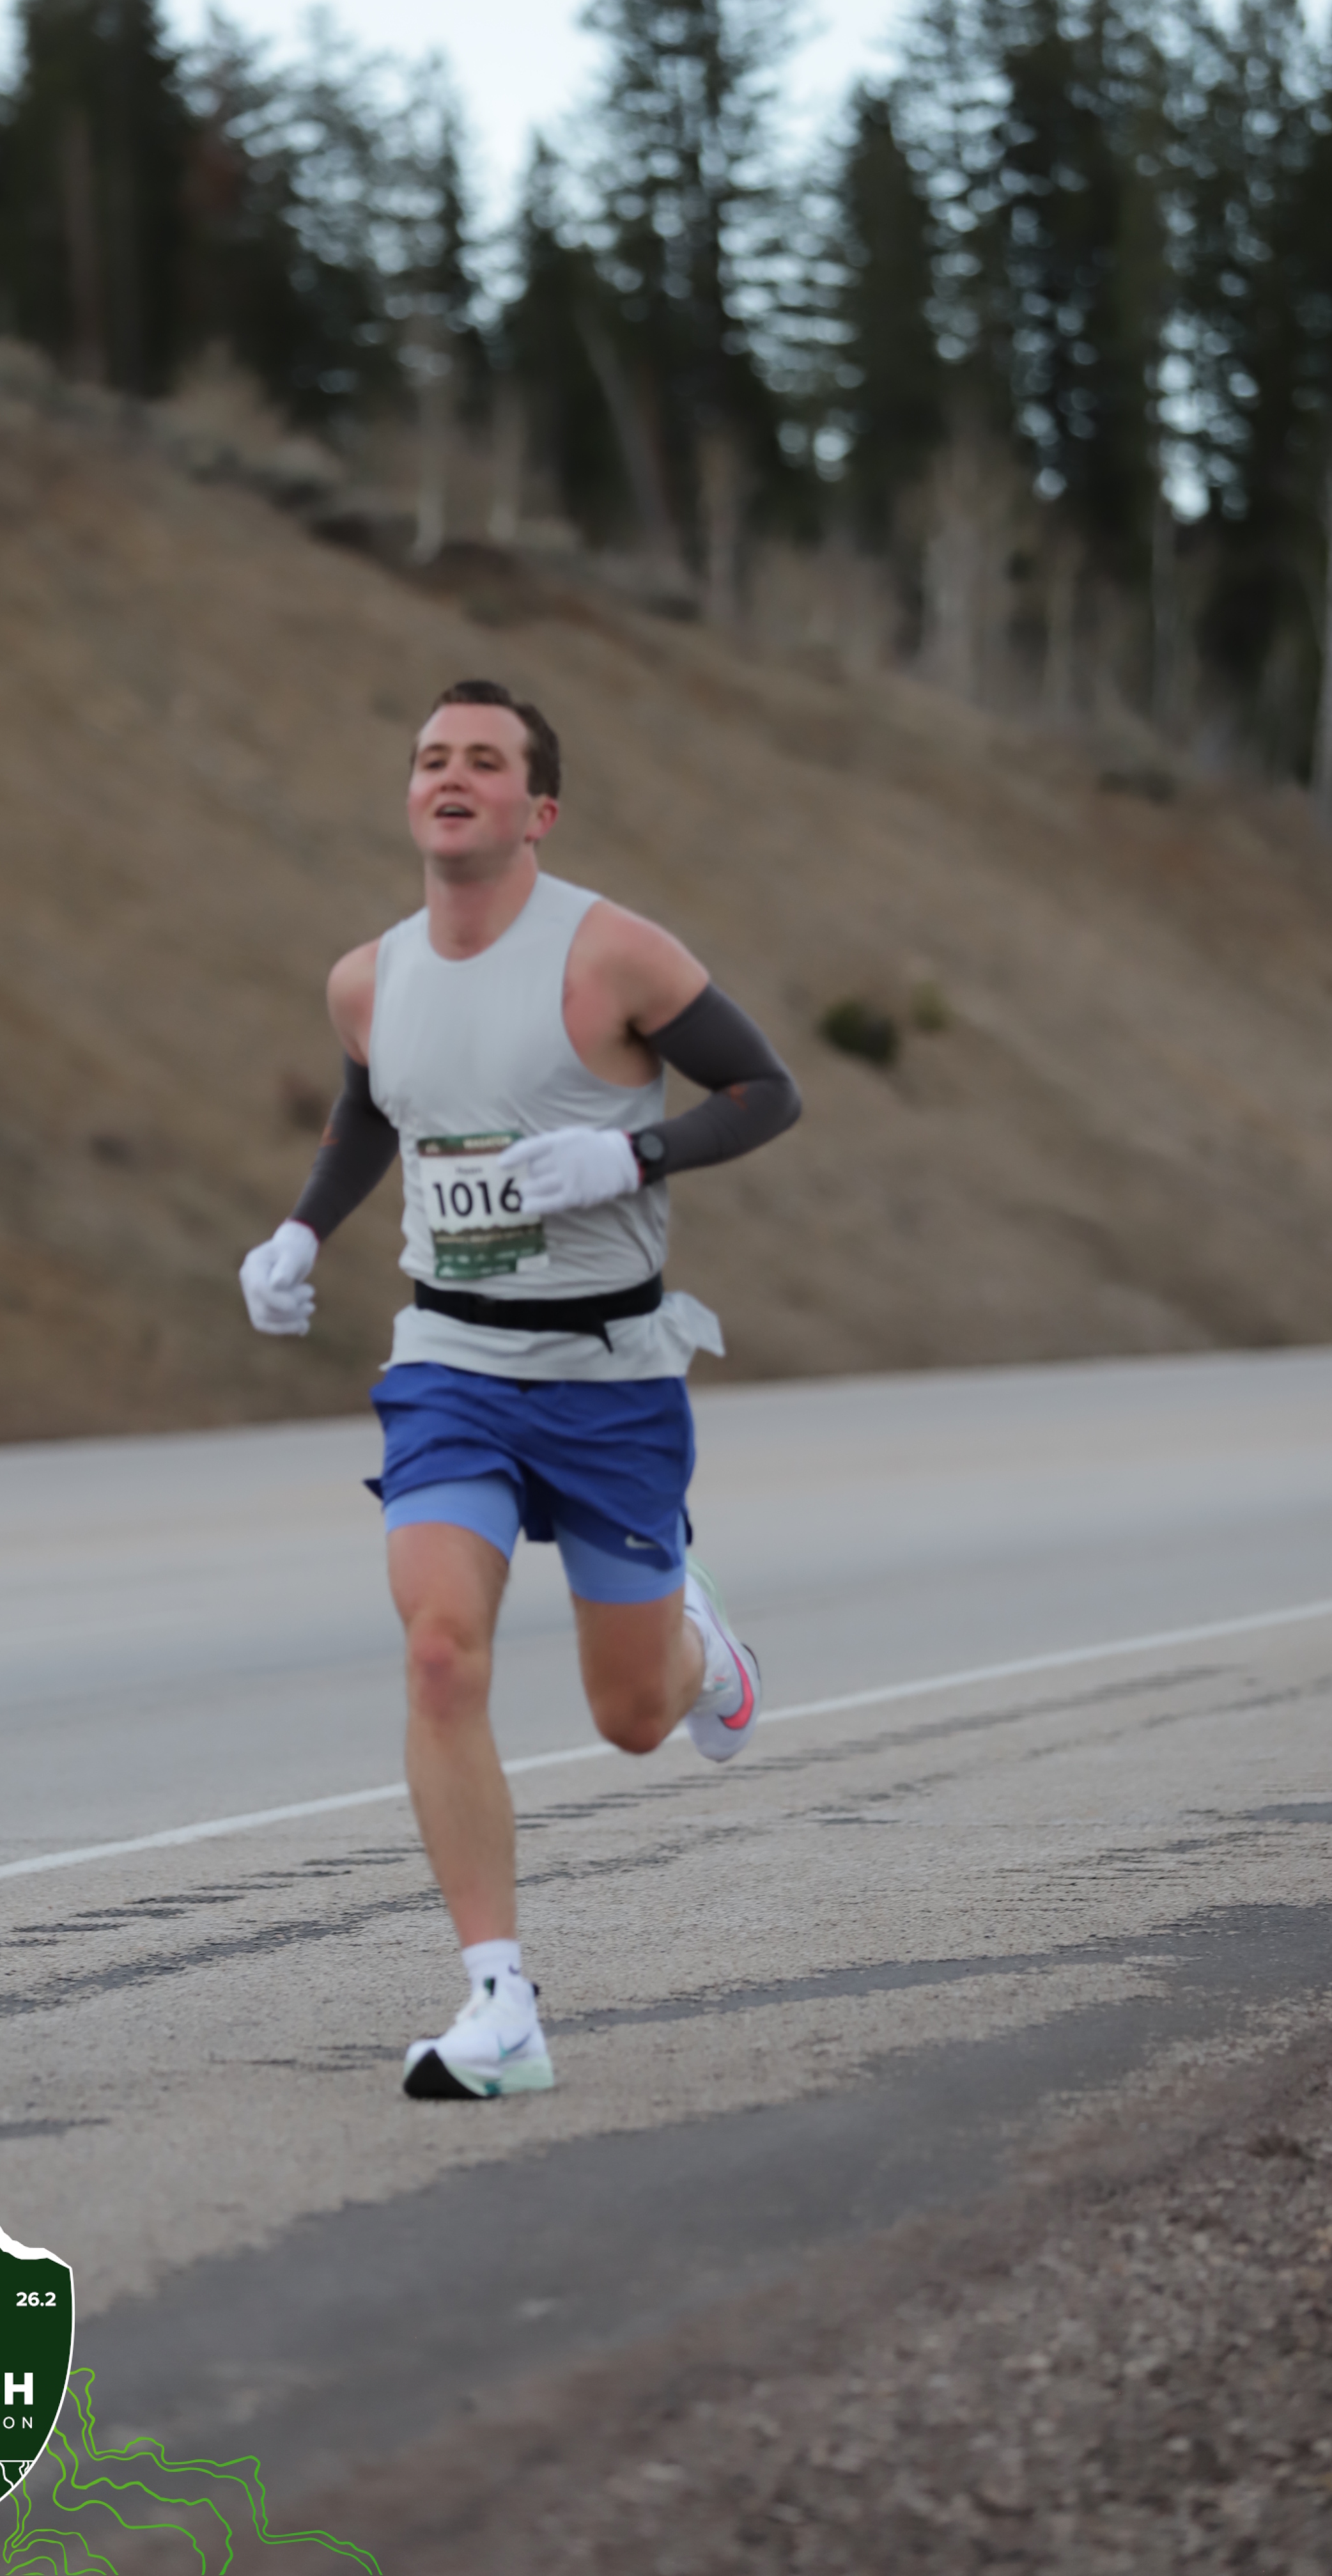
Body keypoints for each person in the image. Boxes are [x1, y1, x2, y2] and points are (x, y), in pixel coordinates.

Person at [240, 680, 801, 2100]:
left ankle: (696, 1645)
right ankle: (500, 2001)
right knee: (441, 1651)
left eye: (485, 761)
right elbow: (374, 1105)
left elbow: (766, 1092)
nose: (453, 776)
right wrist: (302, 1231)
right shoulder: (367, 980)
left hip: (610, 1375)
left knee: (631, 1716)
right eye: (433, 757)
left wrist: (634, 1156)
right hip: (452, 1362)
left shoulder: (613, 956)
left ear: (537, 810)